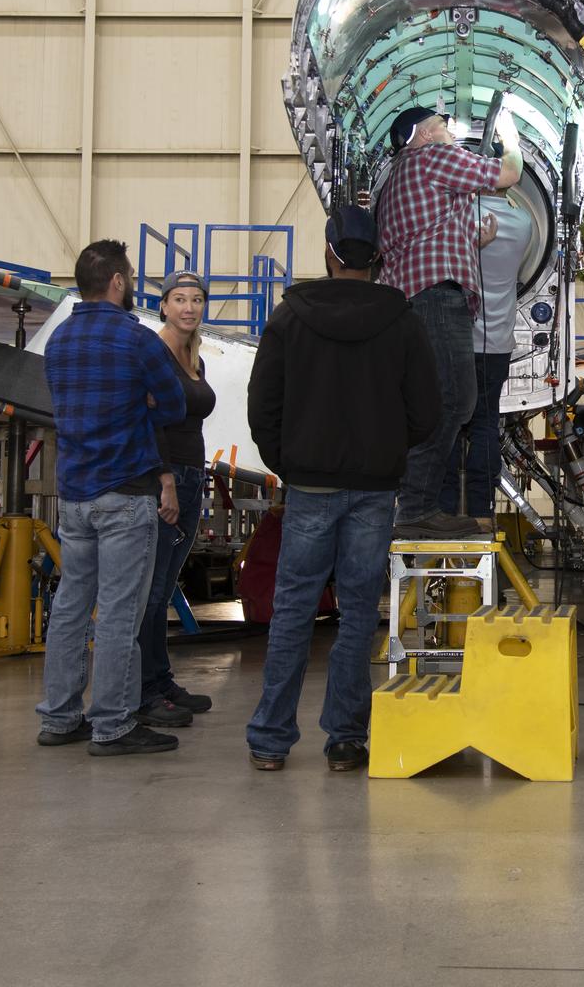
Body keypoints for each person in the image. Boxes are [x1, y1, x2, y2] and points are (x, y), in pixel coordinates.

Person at [245, 205, 440, 772]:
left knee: (292, 609)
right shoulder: (402, 320)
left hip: (308, 486)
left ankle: (270, 739)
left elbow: (263, 405)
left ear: (329, 254)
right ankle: (346, 738)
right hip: (375, 490)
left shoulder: (289, 317)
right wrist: (387, 451)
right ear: (377, 258)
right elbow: (428, 412)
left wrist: (289, 461)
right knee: (358, 613)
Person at [36, 239, 186, 757]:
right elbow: (172, 404)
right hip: (125, 491)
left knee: (72, 606)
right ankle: (113, 724)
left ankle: (59, 716)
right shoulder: (136, 339)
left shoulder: (58, 341)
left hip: (74, 494)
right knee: (120, 612)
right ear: (119, 282)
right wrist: (142, 399)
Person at [377, 106, 522, 537]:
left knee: (436, 401)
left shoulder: (401, 176)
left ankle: (417, 504)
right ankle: (417, 507)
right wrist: (511, 141)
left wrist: (470, 239)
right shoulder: (432, 158)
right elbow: (508, 174)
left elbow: (419, 234)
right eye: (442, 127)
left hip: (412, 298)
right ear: (422, 135)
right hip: (437, 297)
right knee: (457, 399)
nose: (450, 133)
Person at [136, 270, 217, 726]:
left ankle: (160, 679)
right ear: (163, 305)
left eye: (197, 300)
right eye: (180, 299)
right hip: (167, 479)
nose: (189, 307)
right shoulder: (158, 352)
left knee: (164, 586)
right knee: (151, 591)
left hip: (190, 476)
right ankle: (144, 692)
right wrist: (165, 479)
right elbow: (153, 423)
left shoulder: (194, 357)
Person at [440, 187, 532, 518]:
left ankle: (444, 511)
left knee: (447, 426)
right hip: (496, 343)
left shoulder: (456, 217)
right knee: (486, 425)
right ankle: (482, 510)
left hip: (456, 340)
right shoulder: (523, 222)